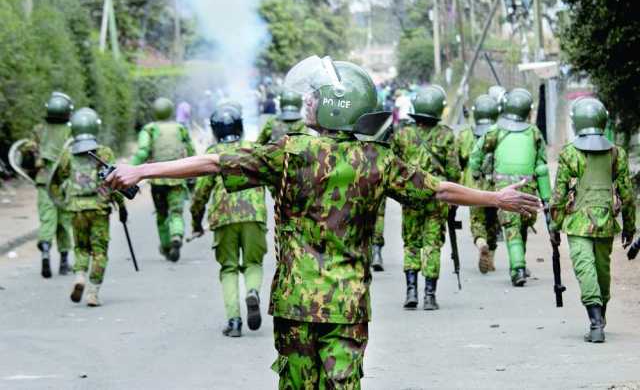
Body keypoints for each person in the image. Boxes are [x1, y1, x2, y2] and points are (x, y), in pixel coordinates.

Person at [105, 56, 540, 388]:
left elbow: (214, 163)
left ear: (332, 108)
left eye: (314, 97)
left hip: (295, 304)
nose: (307, 102)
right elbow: (440, 189)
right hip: (348, 306)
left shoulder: (290, 153)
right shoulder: (378, 161)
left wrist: (143, 170)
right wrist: (495, 198)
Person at [549, 97, 635, 343]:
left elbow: (558, 196)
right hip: (606, 222)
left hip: (577, 223)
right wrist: (630, 227)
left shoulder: (568, 153)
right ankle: (601, 317)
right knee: (602, 270)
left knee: (585, 268)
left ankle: (595, 321)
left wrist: (554, 226)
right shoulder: (616, 153)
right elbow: (627, 196)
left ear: (576, 122)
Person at [190, 104, 268, 338]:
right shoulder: (253, 149)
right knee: (253, 264)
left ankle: (234, 321)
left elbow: (201, 193)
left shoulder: (212, 154)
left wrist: (196, 222)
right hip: (254, 214)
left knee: (229, 268)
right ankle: (252, 291)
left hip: (224, 217)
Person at [470, 88, 551, 287]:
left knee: (512, 228)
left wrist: (477, 172)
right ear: (528, 111)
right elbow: (541, 167)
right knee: (522, 225)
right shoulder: (534, 133)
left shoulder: (496, 130)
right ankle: (519, 264)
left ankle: (518, 268)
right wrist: (546, 197)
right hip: (529, 187)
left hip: (505, 188)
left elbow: (477, 153)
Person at [392, 85, 461, 310]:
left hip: (410, 198)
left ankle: (410, 291)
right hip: (438, 197)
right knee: (432, 244)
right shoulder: (446, 135)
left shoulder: (402, 134)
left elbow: (394, 167)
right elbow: (453, 170)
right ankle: (429, 296)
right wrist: (455, 199)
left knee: (411, 243)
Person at [48, 108, 126, 307]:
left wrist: (62, 203)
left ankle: (80, 276)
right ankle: (93, 292)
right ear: (95, 127)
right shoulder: (104, 153)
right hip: (99, 209)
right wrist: (122, 206)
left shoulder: (67, 155)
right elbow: (114, 182)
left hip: (76, 209)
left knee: (81, 248)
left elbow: (54, 181)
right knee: (100, 251)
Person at [131, 97, 195, 262]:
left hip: (157, 180)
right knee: (176, 213)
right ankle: (177, 235)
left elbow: (143, 152)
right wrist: (193, 174)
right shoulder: (181, 128)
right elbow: (191, 151)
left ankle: (166, 246)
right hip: (177, 178)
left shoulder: (149, 129)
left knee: (161, 215)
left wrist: (130, 169)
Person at [21, 92, 75, 278]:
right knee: (64, 221)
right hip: (64, 183)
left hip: (44, 181)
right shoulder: (71, 130)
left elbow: (26, 151)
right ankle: (64, 262)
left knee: (47, 219)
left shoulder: (39, 129)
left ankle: (45, 254)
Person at [456, 94, 501, 273]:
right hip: (496, 187)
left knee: (477, 222)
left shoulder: (466, 135)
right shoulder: (500, 133)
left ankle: (481, 243)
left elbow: (458, 161)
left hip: (473, 188)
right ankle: (490, 260)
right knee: (493, 223)